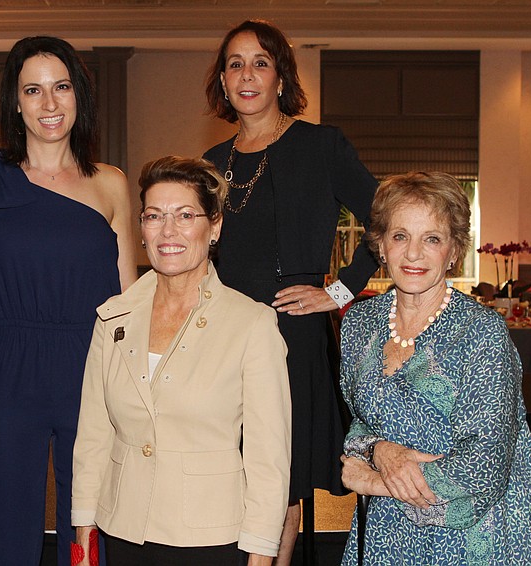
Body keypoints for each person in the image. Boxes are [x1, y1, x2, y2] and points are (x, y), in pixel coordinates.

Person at [0, 36, 137, 566]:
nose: (49, 104)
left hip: (93, 366)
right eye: (34, 90)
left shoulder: (112, 185)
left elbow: (126, 297)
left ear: (80, 96)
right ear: (15, 100)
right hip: (8, 366)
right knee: (7, 535)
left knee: (89, 534)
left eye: (61, 88)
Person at [202, 19, 380, 562]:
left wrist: (342, 292)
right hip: (222, 337)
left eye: (261, 62)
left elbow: (389, 222)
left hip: (290, 331)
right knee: (227, 474)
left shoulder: (321, 146)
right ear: (224, 82)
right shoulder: (211, 163)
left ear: (281, 76)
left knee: (279, 478)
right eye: (235, 64)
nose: (247, 74)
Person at [72, 156, 291, 566]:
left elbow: (269, 459)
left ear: (215, 227)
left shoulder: (252, 325)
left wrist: (262, 552)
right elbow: (94, 435)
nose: (167, 231)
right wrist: (84, 528)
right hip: (123, 530)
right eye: (154, 216)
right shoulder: (113, 317)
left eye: (185, 215)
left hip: (210, 539)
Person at [339, 171, 531, 564]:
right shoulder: (359, 324)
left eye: (431, 239)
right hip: (389, 534)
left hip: (478, 536)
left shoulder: (482, 332)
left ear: (453, 252)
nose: (413, 254)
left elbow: (481, 468)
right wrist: (379, 448)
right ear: (381, 245)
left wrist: (375, 481)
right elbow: (358, 425)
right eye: (400, 236)